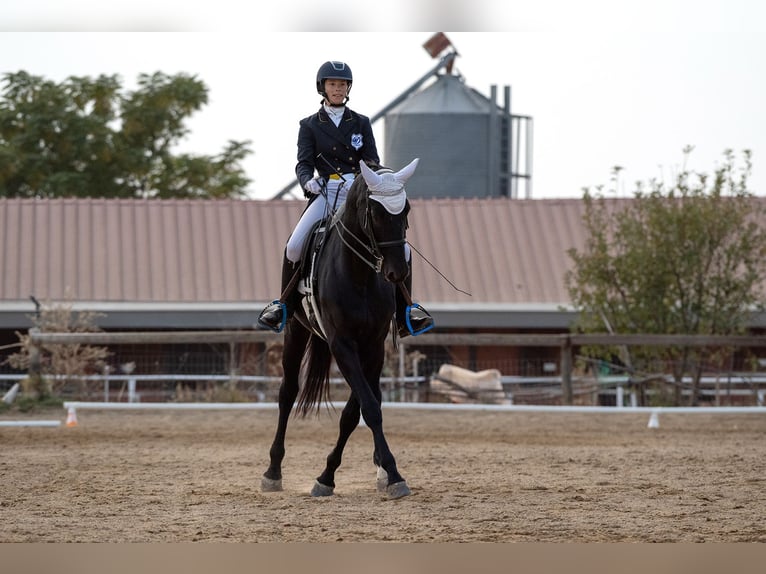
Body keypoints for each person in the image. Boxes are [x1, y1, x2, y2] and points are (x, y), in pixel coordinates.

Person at [256, 60, 434, 338]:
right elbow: (303, 163)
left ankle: (406, 312)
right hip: (327, 191)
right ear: (322, 88)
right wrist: (308, 181)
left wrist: (382, 180)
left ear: (348, 88)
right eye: (332, 84)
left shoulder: (360, 122)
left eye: (342, 85)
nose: (338, 89)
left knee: (406, 251)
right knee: (293, 245)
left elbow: (372, 160)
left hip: (360, 193)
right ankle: (284, 306)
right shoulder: (310, 125)